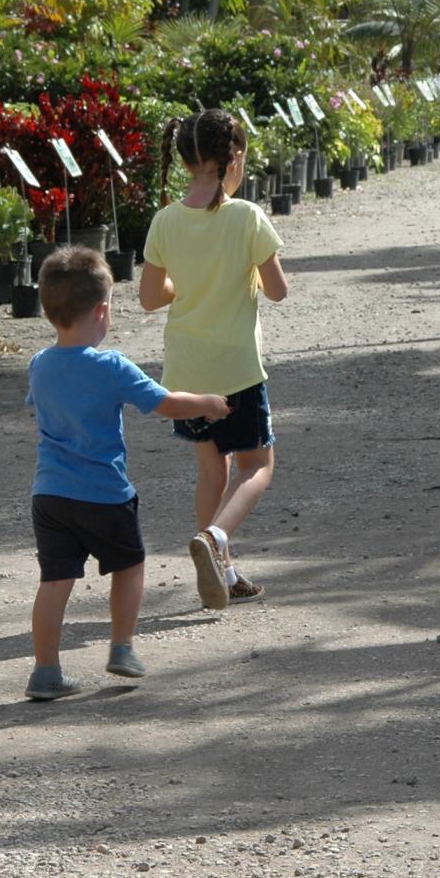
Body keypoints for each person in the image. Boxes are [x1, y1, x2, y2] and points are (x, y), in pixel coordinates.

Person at [25, 247, 231, 701]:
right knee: (129, 565)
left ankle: (45, 671)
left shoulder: (39, 364)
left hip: (50, 495)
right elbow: (166, 403)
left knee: (54, 581)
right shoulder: (111, 366)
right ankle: (121, 647)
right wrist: (209, 403)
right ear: (102, 311)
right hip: (104, 493)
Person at [140, 109, 290, 610]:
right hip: (236, 368)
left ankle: (222, 574)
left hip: (185, 370)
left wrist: (188, 283)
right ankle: (215, 538)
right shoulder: (247, 216)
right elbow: (277, 290)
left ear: (185, 161)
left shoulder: (165, 220)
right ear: (235, 157)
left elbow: (149, 297)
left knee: (211, 470)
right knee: (258, 464)